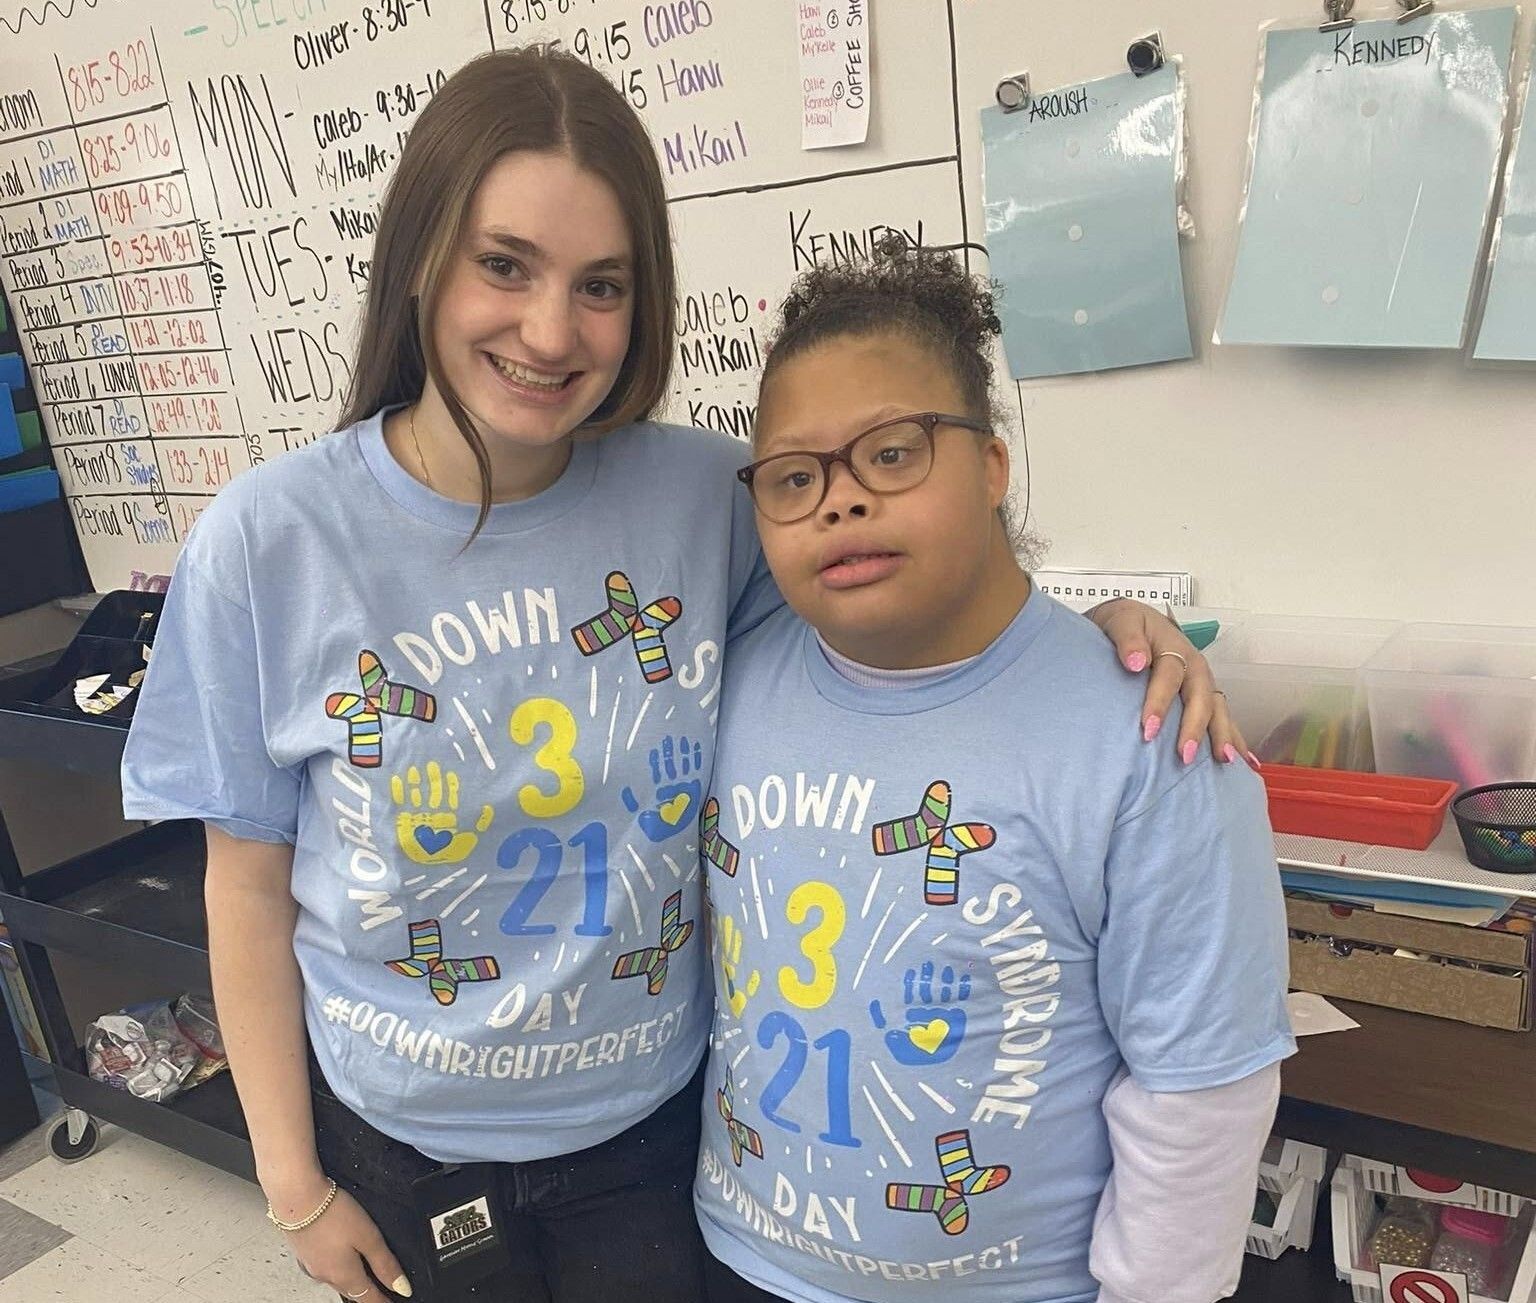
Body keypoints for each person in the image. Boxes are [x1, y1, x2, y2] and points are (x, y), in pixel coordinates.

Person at [120, 48, 1247, 1303]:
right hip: (396, 1146)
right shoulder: (266, 542)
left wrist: (1095, 637)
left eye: (601, 284)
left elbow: (903, 616)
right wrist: (292, 1185)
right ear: (420, 258)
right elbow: (245, 884)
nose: (552, 331)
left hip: (657, 1142)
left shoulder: (709, 500)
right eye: (505, 264)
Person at [694, 242, 1295, 1303]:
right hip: (740, 1260)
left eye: (892, 453)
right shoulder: (725, 679)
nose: (839, 501)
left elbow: (1200, 1091)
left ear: (990, 465)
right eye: (794, 477)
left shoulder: (1148, 743)